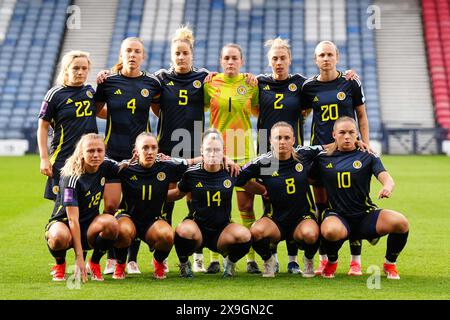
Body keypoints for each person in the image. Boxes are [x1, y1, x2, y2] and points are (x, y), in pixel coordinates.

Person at [301, 40, 370, 276]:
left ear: (337, 57)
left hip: (349, 153)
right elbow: (298, 113)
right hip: (321, 155)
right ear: (315, 59)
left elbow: (361, 115)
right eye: (322, 55)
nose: (326, 58)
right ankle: (324, 259)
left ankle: (355, 261)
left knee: (353, 205)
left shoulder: (350, 82)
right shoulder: (308, 87)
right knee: (321, 207)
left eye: (330, 54)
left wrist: (366, 144)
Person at [94, 37, 161, 275]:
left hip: (140, 156)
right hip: (113, 152)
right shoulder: (108, 82)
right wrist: (114, 115)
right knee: (111, 205)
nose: (132, 55)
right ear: (121, 54)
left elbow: (159, 109)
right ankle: (111, 257)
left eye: (137, 51)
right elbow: (97, 110)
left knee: (138, 207)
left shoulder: (152, 83)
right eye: (128, 51)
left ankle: (131, 260)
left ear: (143, 56)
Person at [316, 117, 409, 279]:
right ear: (334, 134)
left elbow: (386, 178)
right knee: (330, 231)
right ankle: (332, 262)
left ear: (357, 134)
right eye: (342, 132)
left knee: (401, 223)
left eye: (351, 132)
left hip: (365, 215)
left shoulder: (368, 155)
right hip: (338, 216)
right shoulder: (322, 157)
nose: (347, 136)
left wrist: (387, 187)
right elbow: (307, 177)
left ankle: (390, 264)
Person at [168, 129, 263, 278]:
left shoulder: (231, 172)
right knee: (182, 231)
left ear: (223, 151)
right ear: (202, 151)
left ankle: (230, 265)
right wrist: (156, 195)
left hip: (222, 231)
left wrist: (266, 192)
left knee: (245, 236)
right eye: (208, 149)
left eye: (217, 150)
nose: (212, 153)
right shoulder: (191, 173)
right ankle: (184, 264)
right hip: (197, 227)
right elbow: (176, 194)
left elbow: (249, 185)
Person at [236, 122, 323, 277]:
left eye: (286, 137)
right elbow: (239, 178)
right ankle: (269, 260)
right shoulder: (265, 163)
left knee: (311, 234)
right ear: (270, 140)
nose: (282, 141)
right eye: (278, 138)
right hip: (275, 219)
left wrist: (356, 142)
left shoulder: (303, 155)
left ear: (293, 140)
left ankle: (308, 259)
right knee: (256, 232)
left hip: (302, 218)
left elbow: (328, 148)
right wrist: (261, 190)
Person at [203, 43, 261, 274]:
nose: (230, 62)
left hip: (244, 152)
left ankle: (250, 258)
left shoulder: (250, 84)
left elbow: (257, 110)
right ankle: (214, 257)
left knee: (246, 206)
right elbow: (203, 107)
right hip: (218, 153)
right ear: (220, 60)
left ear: (241, 61)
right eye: (226, 57)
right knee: (216, 206)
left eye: (234, 58)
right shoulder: (210, 83)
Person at [112, 132, 197, 280]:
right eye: (145, 148)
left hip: (153, 220)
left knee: (167, 235)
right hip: (128, 217)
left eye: (153, 147)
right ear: (136, 152)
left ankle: (158, 263)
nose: (150, 152)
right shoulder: (125, 167)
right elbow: (100, 166)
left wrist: (222, 158)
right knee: (122, 230)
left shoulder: (167, 166)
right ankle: (120, 265)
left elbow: (193, 162)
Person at [44, 133, 120, 282]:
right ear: (82, 153)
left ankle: (94, 263)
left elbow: (126, 165)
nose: (95, 155)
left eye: (99, 150)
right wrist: (79, 258)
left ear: (105, 151)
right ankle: (60, 264)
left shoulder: (106, 165)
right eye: (90, 151)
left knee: (111, 223)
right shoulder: (71, 177)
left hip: (89, 226)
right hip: (65, 224)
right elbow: (73, 220)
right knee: (59, 237)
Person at [38, 50, 99, 202]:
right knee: (63, 205)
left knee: (87, 203)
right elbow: (43, 127)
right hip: (64, 157)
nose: (80, 72)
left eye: (84, 68)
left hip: (88, 158)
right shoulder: (54, 95)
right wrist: (44, 158)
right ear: (66, 69)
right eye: (75, 68)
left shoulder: (90, 91)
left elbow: (100, 112)